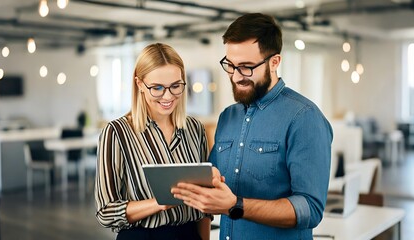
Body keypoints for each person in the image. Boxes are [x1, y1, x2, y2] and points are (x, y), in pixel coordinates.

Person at [172, 13, 333, 239]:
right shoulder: (228, 117)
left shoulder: (304, 118)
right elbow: (213, 181)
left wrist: (235, 205)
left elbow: (310, 209)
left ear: (274, 62)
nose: (236, 76)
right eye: (230, 65)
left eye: (246, 67)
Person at [95, 43, 211, 240]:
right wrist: (161, 202)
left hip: (190, 234)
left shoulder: (195, 129)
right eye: (157, 87)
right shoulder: (117, 132)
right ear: (140, 84)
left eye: (175, 86)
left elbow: (203, 210)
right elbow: (106, 211)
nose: (168, 96)